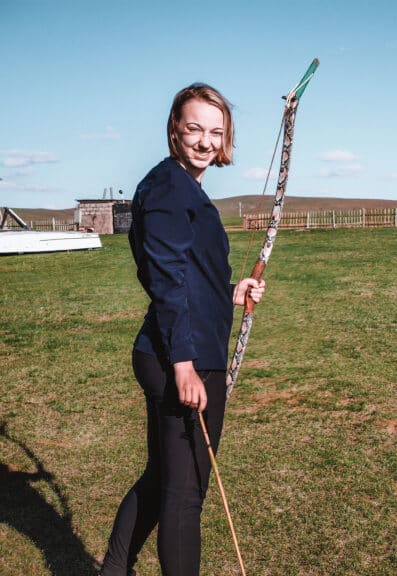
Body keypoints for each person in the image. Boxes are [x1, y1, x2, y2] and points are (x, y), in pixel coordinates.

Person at [99, 83, 265, 576]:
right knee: (185, 492)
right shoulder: (170, 190)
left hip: (183, 349)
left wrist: (232, 291)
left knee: (166, 479)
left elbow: (189, 274)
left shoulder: (180, 185)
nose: (205, 141)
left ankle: (112, 570)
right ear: (174, 128)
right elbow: (167, 282)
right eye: (194, 128)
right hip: (181, 356)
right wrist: (184, 365)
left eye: (216, 131)